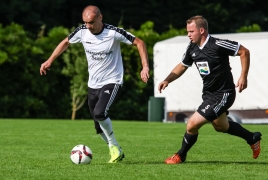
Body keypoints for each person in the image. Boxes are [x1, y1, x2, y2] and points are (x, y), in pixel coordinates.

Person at [40, 5, 150, 163]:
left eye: (91, 22)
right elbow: (65, 42)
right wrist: (50, 60)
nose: (88, 26)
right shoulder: (82, 31)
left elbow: (140, 42)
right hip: (93, 84)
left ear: (100, 17)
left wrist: (145, 66)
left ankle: (113, 147)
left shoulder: (113, 32)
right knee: (98, 127)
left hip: (113, 81)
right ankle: (117, 149)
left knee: (99, 113)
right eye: (85, 22)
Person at [158, 15, 261, 164]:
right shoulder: (192, 48)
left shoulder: (218, 44)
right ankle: (252, 138)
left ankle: (180, 155)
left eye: (191, 31)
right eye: (187, 32)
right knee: (221, 126)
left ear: (201, 30)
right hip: (208, 94)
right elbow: (182, 66)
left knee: (192, 124)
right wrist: (167, 79)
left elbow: (244, 52)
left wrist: (243, 76)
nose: (188, 35)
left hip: (224, 93)